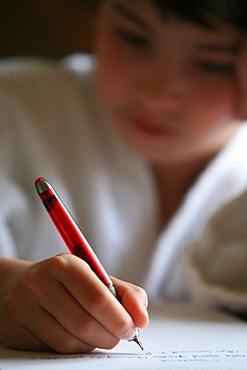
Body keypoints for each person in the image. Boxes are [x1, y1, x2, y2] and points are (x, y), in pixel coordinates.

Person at [0, 0, 247, 354]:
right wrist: (4, 286)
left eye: (212, 63)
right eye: (133, 37)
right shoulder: (11, 108)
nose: (157, 94)